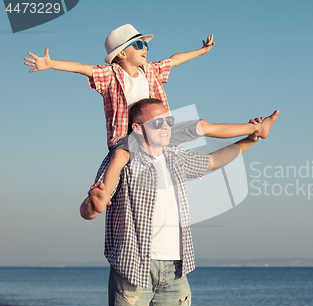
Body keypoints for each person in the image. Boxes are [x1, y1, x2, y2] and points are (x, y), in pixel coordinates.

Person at [24, 23, 277, 214]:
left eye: (146, 45)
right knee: (120, 156)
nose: (145, 48)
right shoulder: (110, 75)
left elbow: (175, 59)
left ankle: (256, 128)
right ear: (120, 54)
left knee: (201, 126)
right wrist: (51, 63)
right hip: (129, 135)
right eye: (138, 45)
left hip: (161, 129)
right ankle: (103, 195)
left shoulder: (152, 70)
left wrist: (201, 51)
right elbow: (83, 68)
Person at [80, 98, 279, 306]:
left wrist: (250, 140)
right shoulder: (123, 158)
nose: (165, 126)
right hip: (134, 268)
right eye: (157, 122)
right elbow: (88, 211)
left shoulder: (176, 156)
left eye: (169, 120)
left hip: (175, 270)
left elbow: (213, 161)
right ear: (137, 128)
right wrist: (95, 205)